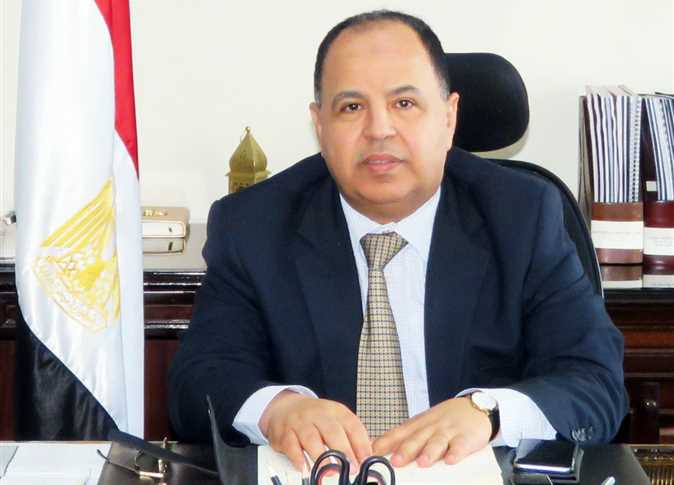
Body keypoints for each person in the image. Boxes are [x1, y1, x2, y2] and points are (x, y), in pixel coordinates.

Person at [169, 10, 628, 471]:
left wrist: (488, 412)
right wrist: (277, 409)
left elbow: (594, 383)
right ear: (320, 125)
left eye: (404, 103)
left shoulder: (522, 217)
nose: (379, 130)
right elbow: (198, 383)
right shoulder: (254, 226)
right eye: (352, 107)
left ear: (448, 117)